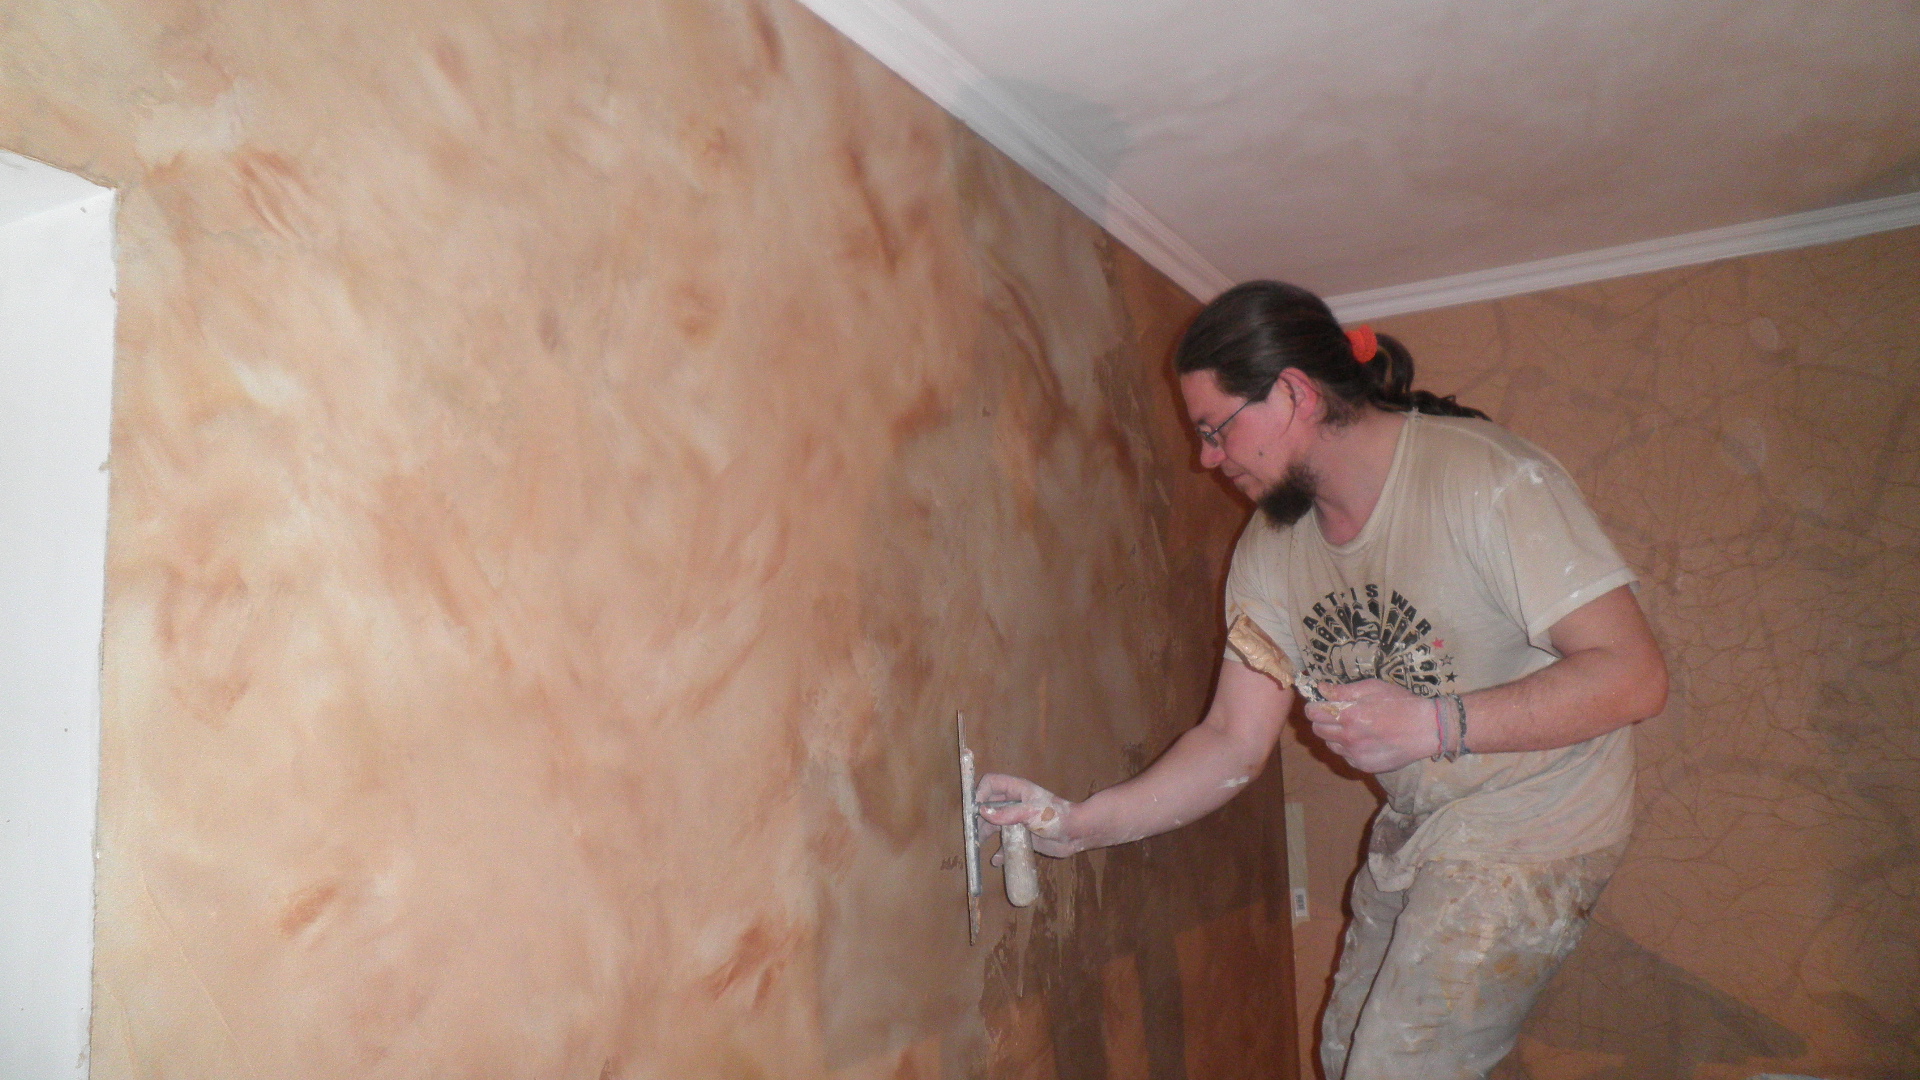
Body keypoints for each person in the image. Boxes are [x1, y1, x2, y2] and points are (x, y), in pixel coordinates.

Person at [976, 280, 1668, 1080]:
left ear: (1293, 395)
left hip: (1540, 817)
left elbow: (1634, 677)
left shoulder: (1486, 479)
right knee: (1345, 1060)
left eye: (1215, 429)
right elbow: (1232, 739)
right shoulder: (1271, 551)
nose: (1206, 458)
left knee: (1395, 1069)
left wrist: (1435, 724)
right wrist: (1084, 823)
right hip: (1425, 822)